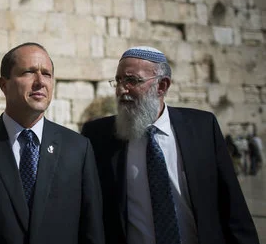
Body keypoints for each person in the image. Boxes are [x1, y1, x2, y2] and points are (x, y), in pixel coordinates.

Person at [81, 46, 259, 244]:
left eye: (132, 80)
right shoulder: (98, 136)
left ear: (162, 86)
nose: (122, 90)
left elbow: (233, 208)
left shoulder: (202, 129)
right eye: (119, 80)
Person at [0, 43, 104, 244]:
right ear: (4, 85)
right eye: (29, 72)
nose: (40, 81)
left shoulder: (77, 149)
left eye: (47, 74)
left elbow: (92, 231)